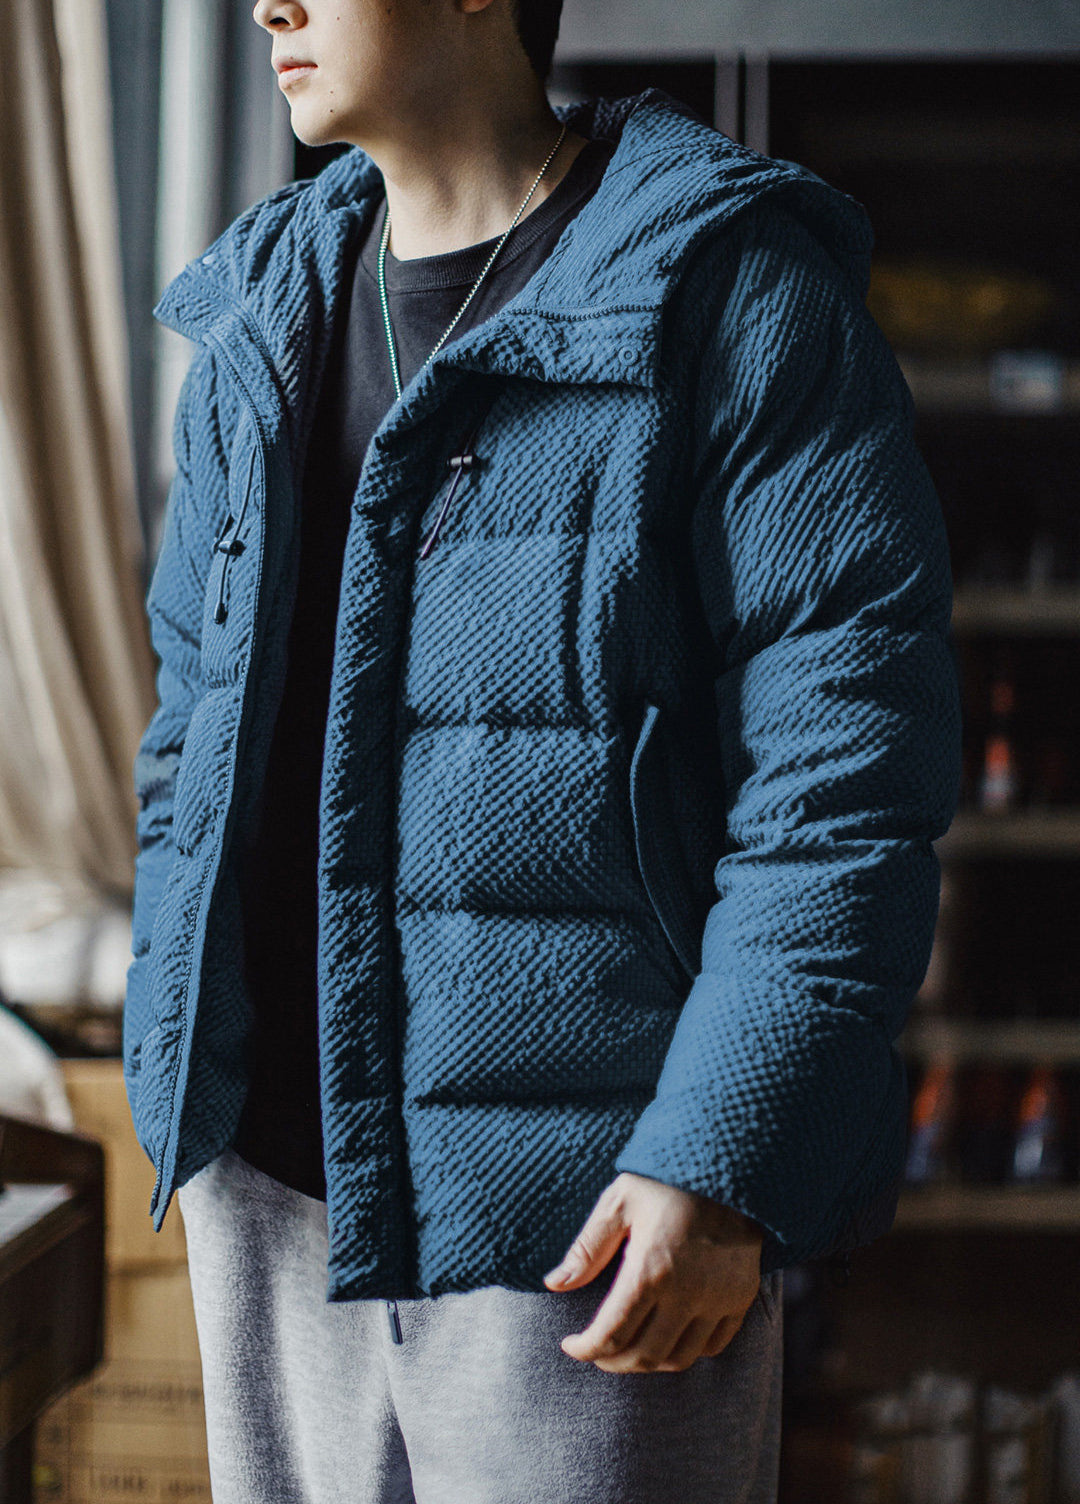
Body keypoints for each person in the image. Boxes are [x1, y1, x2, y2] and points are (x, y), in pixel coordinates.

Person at [122, 0, 962, 1497]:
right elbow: (187, 737)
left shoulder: (729, 287)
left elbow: (844, 787)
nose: (268, 5)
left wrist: (723, 1152)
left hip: (591, 1217)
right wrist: (175, 1059)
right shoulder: (256, 313)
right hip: (271, 1198)